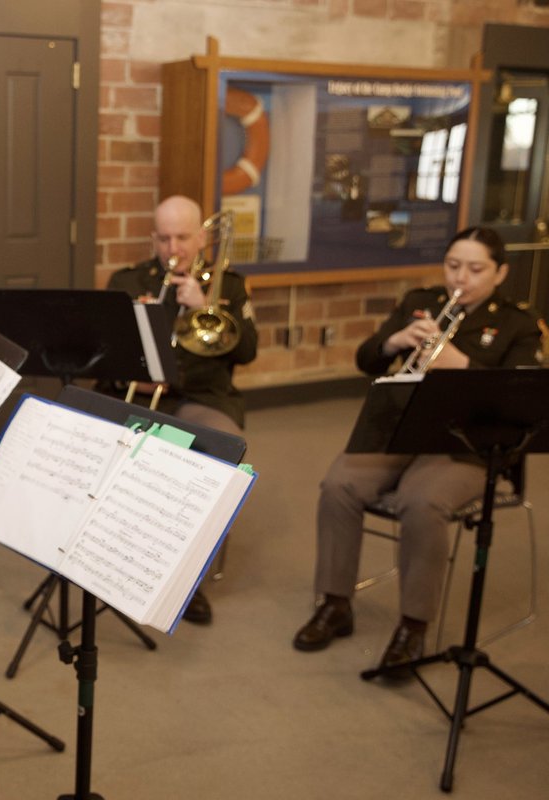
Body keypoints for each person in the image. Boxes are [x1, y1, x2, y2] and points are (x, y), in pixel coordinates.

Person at [293, 226, 543, 672]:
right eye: (452, 266)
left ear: (501, 272)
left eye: (475, 269)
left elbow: (520, 397)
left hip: (468, 446)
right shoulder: (419, 302)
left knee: (421, 501)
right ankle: (335, 603)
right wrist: (395, 342)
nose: (460, 278)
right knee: (339, 484)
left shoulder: (518, 324)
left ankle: (414, 626)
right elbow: (367, 358)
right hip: (403, 427)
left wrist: (460, 364)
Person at [105, 195, 258, 624]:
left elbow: (247, 350)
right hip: (141, 395)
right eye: (164, 238)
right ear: (153, 238)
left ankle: (189, 581)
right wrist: (131, 366)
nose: (174, 248)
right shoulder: (127, 280)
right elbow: (106, 352)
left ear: (202, 237)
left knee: (218, 455)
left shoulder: (228, 284)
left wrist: (202, 306)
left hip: (202, 398)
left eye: (184, 237)